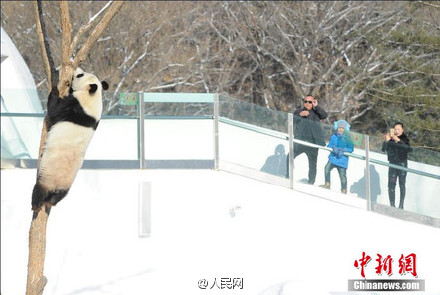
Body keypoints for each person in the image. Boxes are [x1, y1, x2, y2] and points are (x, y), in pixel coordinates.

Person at [291, 95, 327, 184]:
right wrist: (299, 115)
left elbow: (324, 115)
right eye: (305, 101)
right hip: (300, 142)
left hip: (313, 143)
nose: (307, 103)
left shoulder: (316, 112)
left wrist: (317, 107)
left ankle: (311, 182)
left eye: (310, 102)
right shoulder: (298, 111)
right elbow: (290, 121)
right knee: (290, 157)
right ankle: (289, 176)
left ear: (313, 102)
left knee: (312, 165)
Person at [382, 122, 412, 209]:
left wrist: (398, 140)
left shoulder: (405, 139)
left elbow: (408, 148)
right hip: (392, 164)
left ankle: (401, 205)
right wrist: (387, 140)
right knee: (391, 184)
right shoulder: (390, 139)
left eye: (399, 129)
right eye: (395, 129)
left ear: (402, 130)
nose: (397, 131)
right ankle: (392, 205)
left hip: (402, 164)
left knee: (402, 184)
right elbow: (383, 149)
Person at [319, 120, 354, 194]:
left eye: (343, 128)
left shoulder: (348, 138)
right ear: (337, 128)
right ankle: (327, 183)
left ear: (345, 129)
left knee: (343, 176)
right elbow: (329, 145)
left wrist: (344, 150)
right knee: (327, 168)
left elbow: (351, 149)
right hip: (333, 158)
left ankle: (344, 190)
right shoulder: (333, 136)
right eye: (339, 128)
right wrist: (333, 147)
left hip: (342, 160)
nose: (341, 129)